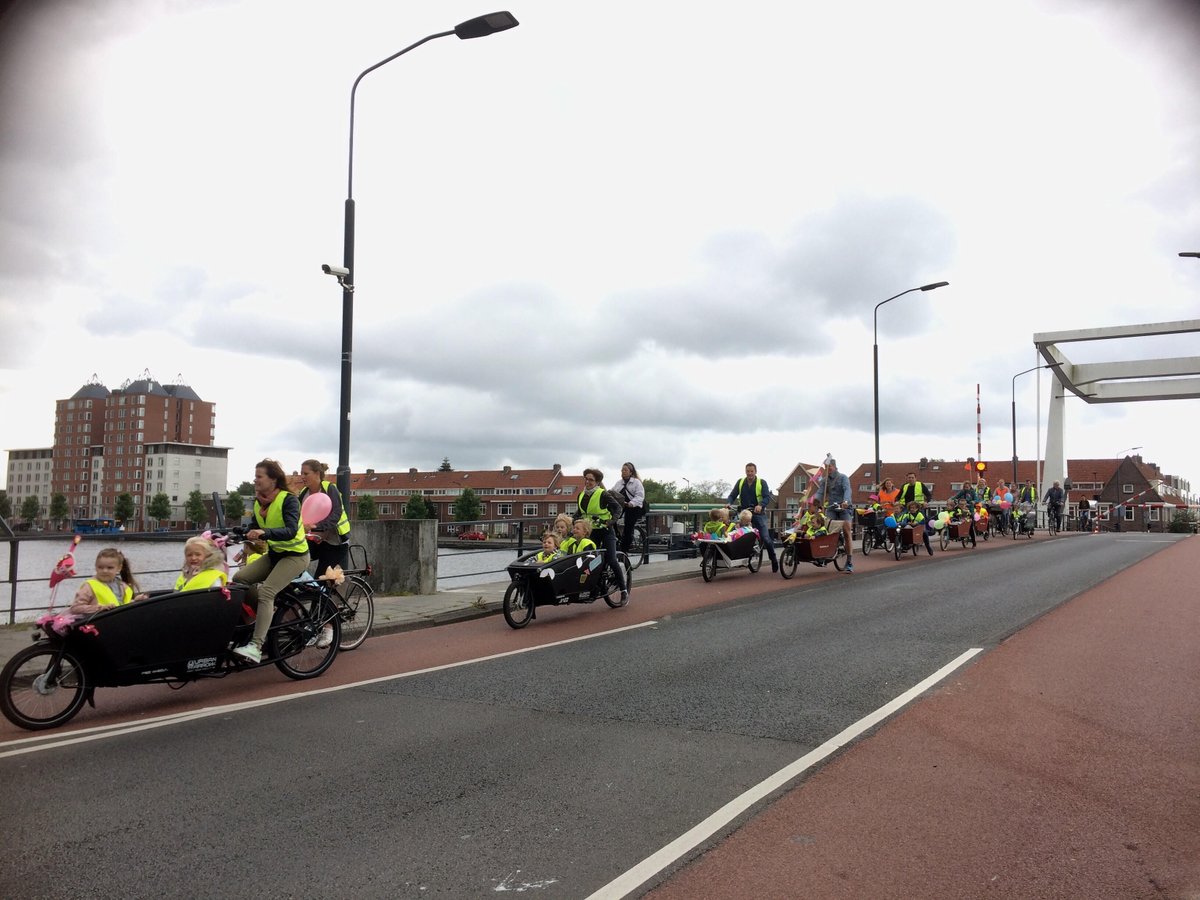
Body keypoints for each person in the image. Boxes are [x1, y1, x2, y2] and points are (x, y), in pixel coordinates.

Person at [231, 459, 311, 663]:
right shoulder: (260, 502)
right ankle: (268, 616)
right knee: (239, 579)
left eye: (259, 476)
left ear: (273, 479)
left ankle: (256, 647)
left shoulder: (288, 500)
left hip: (296, 556)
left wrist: (264, 533)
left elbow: (291, 530)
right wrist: (241, 532)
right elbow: (256, 525)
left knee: (267, 591)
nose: (255, 480)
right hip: (276, 555)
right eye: (255, 476)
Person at [577, 468, 628, 602]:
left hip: (605, 531)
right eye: (586, 479)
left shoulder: (603, 494)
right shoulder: (581, 495)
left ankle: (623, 590)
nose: (587, 482)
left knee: (611, 559)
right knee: (589, 561)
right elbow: (579, 513)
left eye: (591, 480)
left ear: (597, 482)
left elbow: (618, 508)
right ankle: (593, 588)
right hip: (591, 532)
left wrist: (611, 521)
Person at [298, 459, 351, 578]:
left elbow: (336, 513)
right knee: (295, 562)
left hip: (335, 541)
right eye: (301, 473)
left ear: (317, 474)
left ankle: (325, 594)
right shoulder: (304, 493)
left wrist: (317, 527)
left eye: (306, 474)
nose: (302, 477)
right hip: (315, 539)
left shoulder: (329, 488)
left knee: (322, 578)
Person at [727, 462, 779, 572]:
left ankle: (773, 559)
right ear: (745, 471)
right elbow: (732, 494)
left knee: (765, 538)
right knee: (733, 533)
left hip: (758, 514)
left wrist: (760, 505)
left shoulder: (761, 482)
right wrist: (729, 502)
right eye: (748, 471)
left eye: (752, 471)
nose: (750, 473)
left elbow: (766, 497)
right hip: (744, 514)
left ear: (755, 472)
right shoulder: (740, 482)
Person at [68, 547, 141, 615]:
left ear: (119, 568)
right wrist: (100, 608)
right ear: (96, 567)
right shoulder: (89, 586)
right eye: (100, 567)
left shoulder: (123, 586)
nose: (105, 571)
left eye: (110, 568)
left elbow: (121, 605)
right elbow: (75, 608)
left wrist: (134, 602)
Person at [812, 458, 854, 573]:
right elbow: (821, 492)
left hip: (844, 508)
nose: (828, 469)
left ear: (835, 466)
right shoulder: (824, 481)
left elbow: (847, 490)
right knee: (826, 528)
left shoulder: (843, 478)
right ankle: (825, 554)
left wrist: (846, 501)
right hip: (831, 508)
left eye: (830, 467)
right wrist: (817, 500)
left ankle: (849, 561)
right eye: (826, 467)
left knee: (846, 531)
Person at [613, 462, 646, 556]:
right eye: (622, 470)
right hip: (623, 505)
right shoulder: (619, 483)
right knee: (611, 518)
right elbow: (612, 492)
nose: (623, 472)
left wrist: (631, 504)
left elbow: (640, 496)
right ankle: (616, 536)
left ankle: (624, 550)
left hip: (634, 507)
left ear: (631, 472)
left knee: (628, 526)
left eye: (625, 470)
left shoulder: (636, 482)